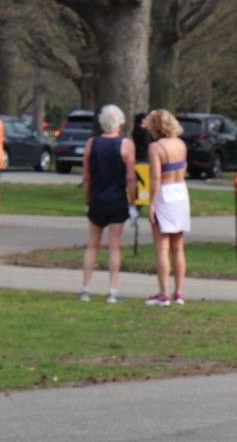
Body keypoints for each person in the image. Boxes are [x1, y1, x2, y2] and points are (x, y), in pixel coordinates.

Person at [79, 105, 137, 303]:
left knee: (92, 244)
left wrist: (87, 200)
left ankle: (85, 288)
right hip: (117, 200)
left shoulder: (91, 143)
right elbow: (130, 177)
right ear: (119, 123)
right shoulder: (126, 145)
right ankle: (112, 290)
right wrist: (133, 202)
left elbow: (86, 176)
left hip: (97, 198)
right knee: (114, 246)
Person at [144, 109, 190, 305]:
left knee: (162, 247)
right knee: (178, 247)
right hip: (181, 191)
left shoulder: (156, 147)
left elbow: (155, 177)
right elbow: (184, 168)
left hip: (164, 192)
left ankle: (163, 293)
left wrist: (151, 203)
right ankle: (178, 292)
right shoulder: (181, 144)